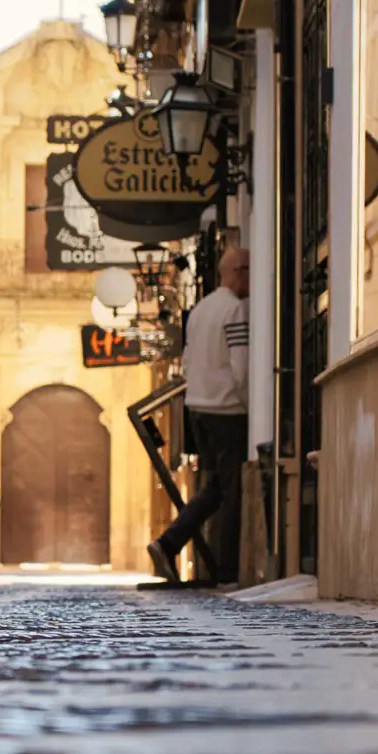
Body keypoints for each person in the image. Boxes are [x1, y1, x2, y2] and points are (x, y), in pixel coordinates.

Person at [149, 244, 250, 587]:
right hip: (226, 411)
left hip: (198, 410)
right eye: (248, 270)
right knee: (230, 492)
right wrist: (251, 404)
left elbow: (189, 362)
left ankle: (168, 543)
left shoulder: (201, 310)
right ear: (237, 273)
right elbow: (241, 367)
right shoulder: (234, 310)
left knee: (214, 489)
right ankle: (228, 574)